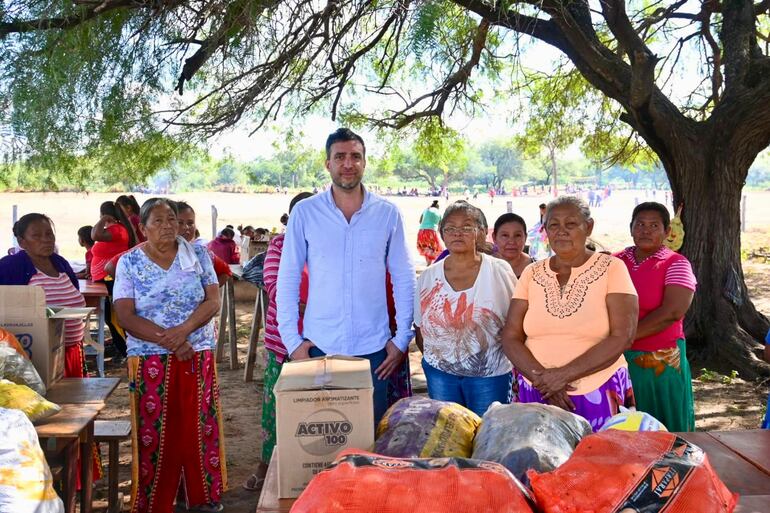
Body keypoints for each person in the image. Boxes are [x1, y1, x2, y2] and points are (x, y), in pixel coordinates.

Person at [277, 128, 415, 425]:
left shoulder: (387, 213)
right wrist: (292, 342)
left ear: (365, 162)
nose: (348, 164)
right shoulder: (305, 212)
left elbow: (404, 277)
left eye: (355, 156)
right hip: (319, 347)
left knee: (368, 439)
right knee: (322, 437)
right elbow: (287, 277)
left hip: (375, 350)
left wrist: (402, 338)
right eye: (340, 157)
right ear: (328, 164)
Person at [113, 198, 225, 513]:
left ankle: (201, 497)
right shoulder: (130, 263)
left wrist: (185, 330)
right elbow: (126, 315)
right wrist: (173, 342)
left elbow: (212, 301)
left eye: (172, 219)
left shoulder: (198, 254)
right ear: (142, 227)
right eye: (159, 221)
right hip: (150, 356)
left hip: (196, 351)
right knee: (156, 428)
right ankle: (156, 501)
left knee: (197, 423)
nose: (168, 227)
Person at [501, 196, 639, 431]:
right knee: (536, 462)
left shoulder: (612, 268)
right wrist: (544, 382)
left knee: (599, 462)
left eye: (571, 224)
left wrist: (562, 376)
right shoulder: (531, 273)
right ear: (545, 231)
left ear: (589, 227)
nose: (561, 232)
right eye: (554, 225)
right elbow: (510, 335)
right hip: (535, 389)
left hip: (598, 388)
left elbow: (623, 336)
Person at [414, 202, 517, 416]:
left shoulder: (498, 270)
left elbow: (516, 321)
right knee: (449, 436)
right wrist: (441, 362)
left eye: (467, 227)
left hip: (490, 374)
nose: (458, 233)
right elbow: (420, 328)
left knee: (487, 434)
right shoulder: (428, 276)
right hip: (440, 375)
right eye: (450, 228)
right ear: (441, 233)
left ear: (480, 232)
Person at [243, 192, 312, 493]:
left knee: (317, 411)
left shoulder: (331, 243)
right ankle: (266, 465)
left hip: (323, 342)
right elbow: (273, 283)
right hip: (285, 343)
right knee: (277, 409)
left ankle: (309, 471)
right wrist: (308, 303)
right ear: (291, 218)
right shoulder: (279, 244)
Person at [614, 202, 697, 431]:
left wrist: (621, 339)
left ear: (667, 232)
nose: (646, 230)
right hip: (616, 359)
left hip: (659, 361)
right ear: (631, 228)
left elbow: (671, 313)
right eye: (640, 224)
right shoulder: (614, 262)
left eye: (654, 225)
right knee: (624, 426)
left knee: (663, 425)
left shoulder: (676, 263)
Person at [91, 201, 136, 360]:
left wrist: (102, 219)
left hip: (111, 279)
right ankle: (125, 349)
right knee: (111, 318)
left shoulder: (117, 230)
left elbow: (94, 235)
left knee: (114, 318)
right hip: (105, 279)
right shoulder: (114, 229)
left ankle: (126, 350)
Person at [176, 201, 233, 287]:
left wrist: (208, 294)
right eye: (180, 222)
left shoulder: (201, 253)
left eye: (190, 223)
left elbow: (226, 271)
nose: (186, 227)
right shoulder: (152, 255)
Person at [492, 213, 534, 278]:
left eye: (517, 235)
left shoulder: (537, 270)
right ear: (494, 238)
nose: (511, 242)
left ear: (525, 237)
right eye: (505, 235)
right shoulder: (485, 268)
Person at [417, 200, 444, 265]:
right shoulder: (439, 212)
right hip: (431, 231)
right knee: (435, 248)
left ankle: (428, 263)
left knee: (426, 247)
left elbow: (420, 221)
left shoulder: (426, 210)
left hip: (421, 231)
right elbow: (440, 225)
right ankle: (432, 264)